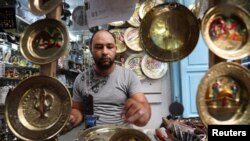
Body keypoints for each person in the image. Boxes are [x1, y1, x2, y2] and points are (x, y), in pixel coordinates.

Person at [69, 30, 151, 127]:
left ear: (115, 49)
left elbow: (143, 110)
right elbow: (77, 110)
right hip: (91, 136)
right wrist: (73, 117)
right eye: (99, 47)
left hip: (120, 135)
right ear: (91, 49)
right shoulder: (80, 79)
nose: (104, 52)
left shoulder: (128, 76)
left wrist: (141, 111)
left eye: (109, 47)